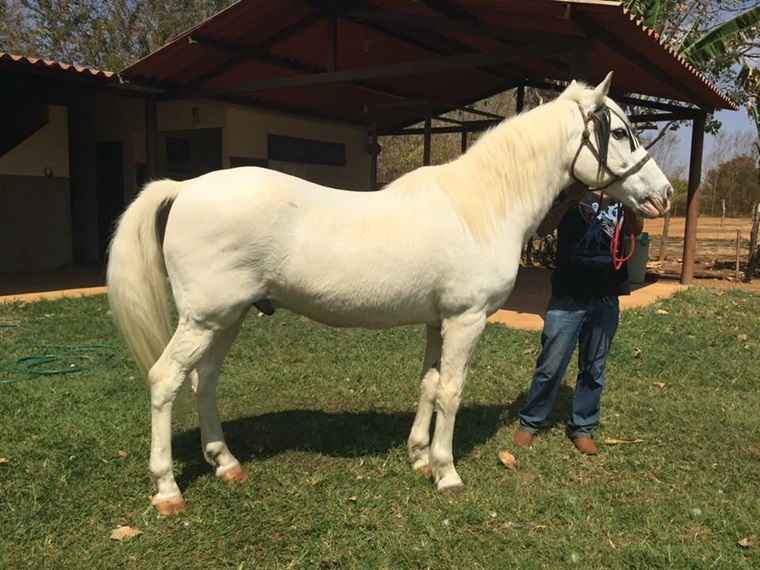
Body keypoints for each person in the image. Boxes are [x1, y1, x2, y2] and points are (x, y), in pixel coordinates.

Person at [513, 183, 643, 455]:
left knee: (594, 368)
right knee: (550, 365)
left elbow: (635, 230)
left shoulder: (621, 191)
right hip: (568, 297)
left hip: (606, 297)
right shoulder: (567, 189)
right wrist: (569, 200)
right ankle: (530, 423)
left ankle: (582, 427)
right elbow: (543, 229)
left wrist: (628, 203)